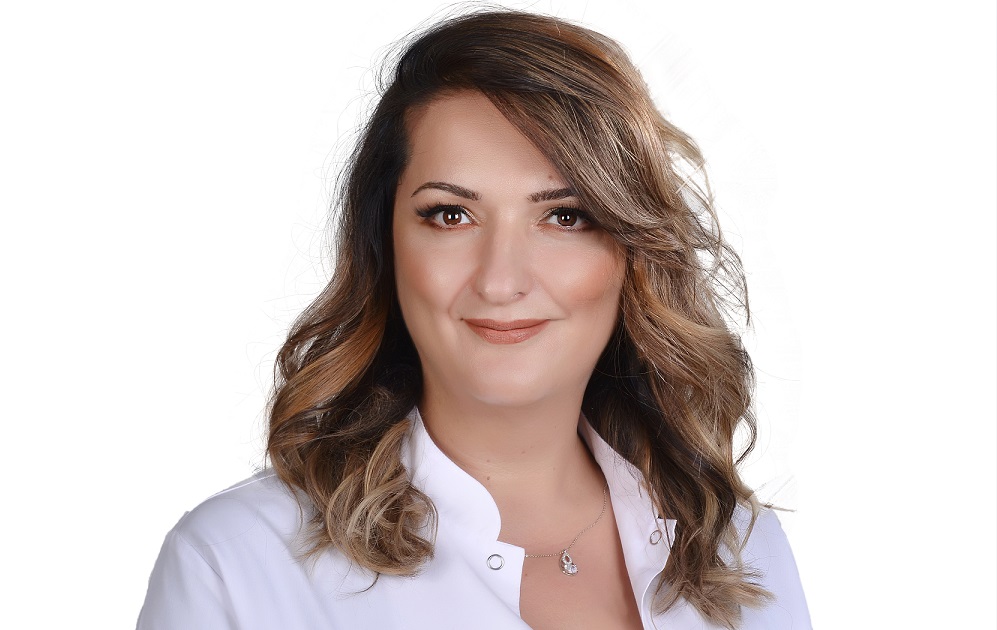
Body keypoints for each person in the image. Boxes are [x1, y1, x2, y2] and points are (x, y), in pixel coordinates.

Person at [138, 9, 810, 630]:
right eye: (451, 215)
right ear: (385, 245)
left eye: (564, 216)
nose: (500, 280)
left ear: (633, 253)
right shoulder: (236, 566)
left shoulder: (742, 552)